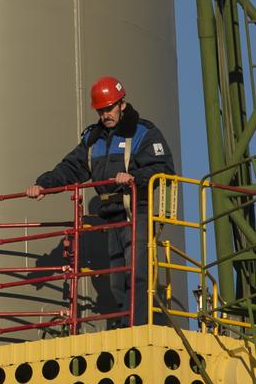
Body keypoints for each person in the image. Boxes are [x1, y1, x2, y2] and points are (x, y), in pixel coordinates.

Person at [26, 77, 173, 327]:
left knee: (137, 273)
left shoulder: (143, 133)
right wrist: (44, 185)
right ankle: (126, 325)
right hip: (112, 215)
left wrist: (134, 178)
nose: (105, 115)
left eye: (109, 108)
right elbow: (71, 168)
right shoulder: (94, 140)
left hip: (136, 211)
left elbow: (164, 169)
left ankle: (136, 326)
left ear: (122, 104)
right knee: (116, 280)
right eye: (101, 110)